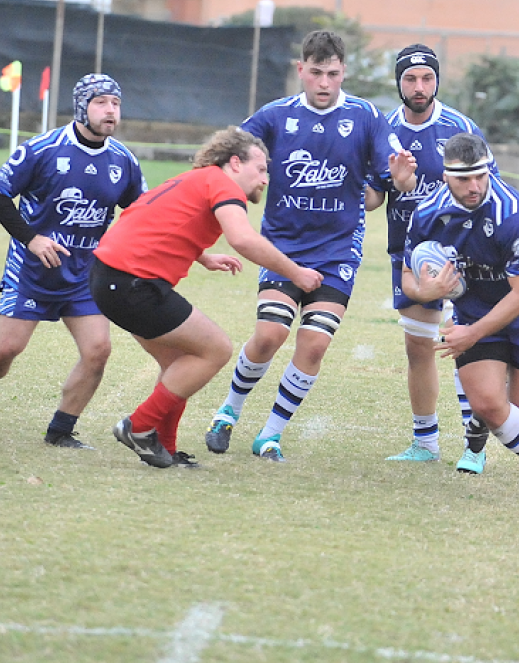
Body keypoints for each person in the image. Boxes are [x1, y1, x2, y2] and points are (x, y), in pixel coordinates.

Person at [203, 30, 416, 462]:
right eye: (315, 73)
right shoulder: (275, 116)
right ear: (301, 70)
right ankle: (229, 411)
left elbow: (390, 182)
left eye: (332, 74)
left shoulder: (367, 117)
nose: (323, 83)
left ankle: (270, 434)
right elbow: (228, 157)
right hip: (283, 248)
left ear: (344, 73)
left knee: (314, 344)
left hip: (338, 251)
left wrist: (402, 177)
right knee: (269, 335)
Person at [92, 127, 323, 468]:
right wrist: (296, 273)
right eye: (260, 169)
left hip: (107, 277)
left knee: (179, 361)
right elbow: (242, 239)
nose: (265, 179)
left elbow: (153, 217)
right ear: (234, 163)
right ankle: (139, 426)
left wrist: (203, 256)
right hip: (132, 282)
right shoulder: (223, 185)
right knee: (216, 348)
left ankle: (164, 448)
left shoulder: (197, 179)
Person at [0, 74, 146, 448]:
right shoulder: (42, 148)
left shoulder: (124, 161)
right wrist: (32, 239)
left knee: (98, 351)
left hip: (85, 274)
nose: (110, 110)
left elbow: (142, 215)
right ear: (82, 106)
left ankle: (61, 431)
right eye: (101, 102)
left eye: (115, 103)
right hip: (32, 270)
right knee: (5, 350)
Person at [402, 132, 519, 499]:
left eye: (481, 175)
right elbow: (407, 277)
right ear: (445, 175)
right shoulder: (427, 214)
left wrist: (472, 334)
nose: (474, 186)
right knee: (488, 402)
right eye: (463, 178)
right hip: (475, 308)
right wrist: (426, 292)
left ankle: (482, 423)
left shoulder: (514, 214)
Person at [381, 44, 490, 470]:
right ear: (399, 83)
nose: (419, 87)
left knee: (463, 342)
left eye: (427, 78)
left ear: (437, 81)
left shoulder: (461, 127)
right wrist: (395, 182)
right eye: (410, 79)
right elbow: (372, 198)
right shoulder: (383, 129)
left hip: (463, 249)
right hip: (408, 251)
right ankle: (425, 442)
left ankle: (473, 446)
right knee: (418, 347)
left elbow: (487, 190)